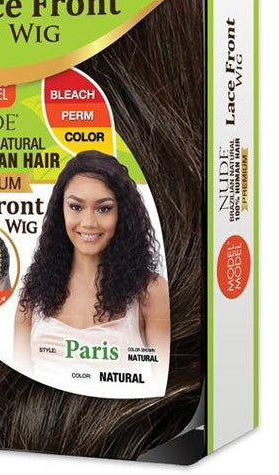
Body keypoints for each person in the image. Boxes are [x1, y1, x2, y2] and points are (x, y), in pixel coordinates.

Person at [14, 150, 169, 389]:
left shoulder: (150, 291)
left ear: (122, 213)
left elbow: (164, 386)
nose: (88, 222)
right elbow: (18, 389)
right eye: (76, 207)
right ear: (60, 211)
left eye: (103, 209)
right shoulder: (33, 295)